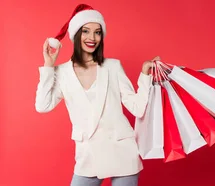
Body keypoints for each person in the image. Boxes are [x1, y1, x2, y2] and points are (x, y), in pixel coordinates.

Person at [34, 4, 155, 186]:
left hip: (121, 150)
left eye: (97, 32)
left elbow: (137, 107)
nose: (92, 38)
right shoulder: (62, 72)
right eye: (86, 31)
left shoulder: (112, 67)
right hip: (88, 154)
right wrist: (49, 65)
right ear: (76, 34)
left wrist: (145, 75)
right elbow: (42, 106)